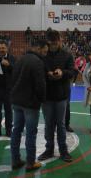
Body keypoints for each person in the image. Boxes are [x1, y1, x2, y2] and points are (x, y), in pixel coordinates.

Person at [10, 39, 48, 171]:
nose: (45, 53)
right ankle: (31, 162)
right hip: (30, 103)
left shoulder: (20, 59)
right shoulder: (38, 62)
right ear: (39, 48)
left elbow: (13, 79)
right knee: (31, 133)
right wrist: (42, 100)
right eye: (44, 51)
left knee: (16, 131)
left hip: (16, 101)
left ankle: (15, 160)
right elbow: (40, 85)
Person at [38, 30, 74, 163]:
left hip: (61, 96)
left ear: (60, 40)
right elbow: (38, 72)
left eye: (56, 43)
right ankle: (49, 150)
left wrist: (62, 72)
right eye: (51, 43)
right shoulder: (43, 56)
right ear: (48, 42)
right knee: (48, 125)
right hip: (47, 97)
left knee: (61, 124)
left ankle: (64, 151)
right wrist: (46, 73)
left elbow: (72, 72)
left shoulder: (67, 55)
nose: (54, 45)